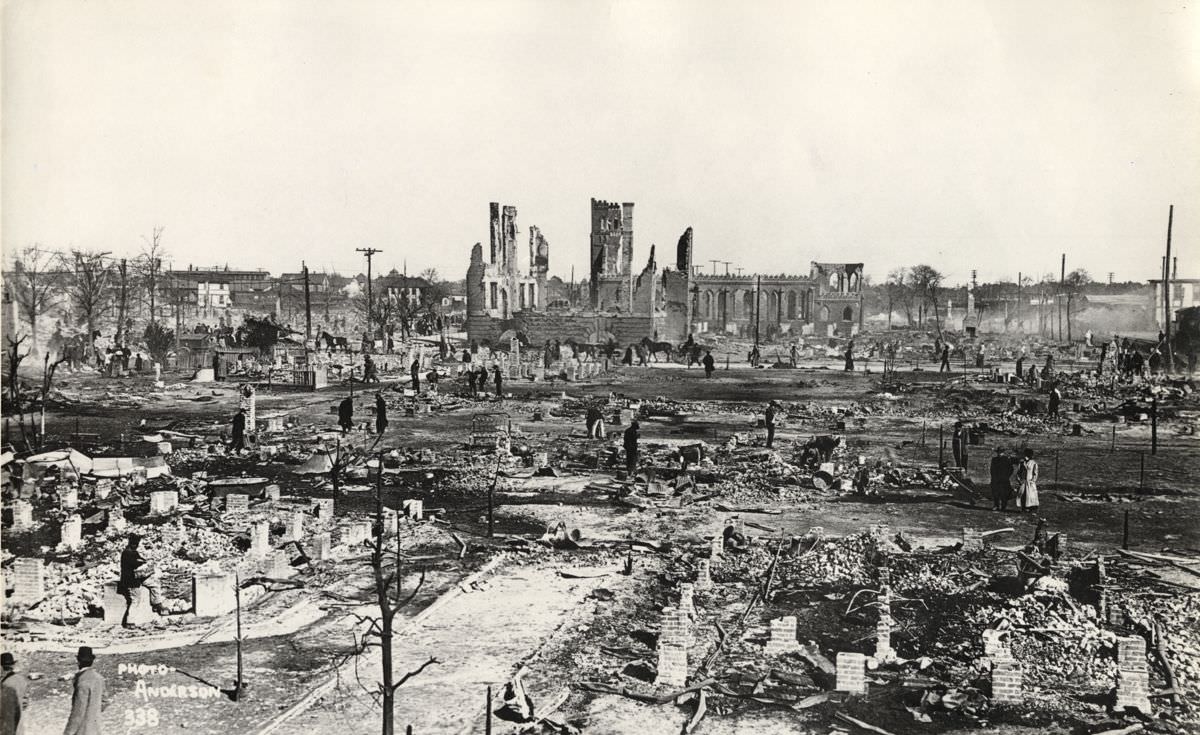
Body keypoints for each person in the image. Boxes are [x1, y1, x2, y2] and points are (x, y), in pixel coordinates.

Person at [119, 534, 164, 622]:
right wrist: (141, 562)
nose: (136, 546)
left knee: (155, 585)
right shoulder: (127, 553)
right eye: (135, 544)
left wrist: (144, 561)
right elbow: (134, 563)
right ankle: (130, 622)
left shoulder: (133, 552)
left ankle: (156, 603)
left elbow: (140, 559)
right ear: (131, 543)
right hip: (131, 580)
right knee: (136, 600)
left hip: (139, 577)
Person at [64, 646, 104, 735]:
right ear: (92, 661)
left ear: (78, 660)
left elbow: (78, 712)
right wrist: (93, 711)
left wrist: (68, 732)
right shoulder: (99, 678)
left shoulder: (82, 681)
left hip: (82, 731)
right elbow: (105, 700)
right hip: (95, 729)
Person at [1, 651, 29, 735]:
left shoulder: (5, 684)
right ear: (13, 665)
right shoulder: (22, 680)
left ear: (1, 667)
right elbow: (25, 703)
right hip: (19, 727)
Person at [1011, 448, 1039, 513]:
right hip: (1023, 482)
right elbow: (1018, 472)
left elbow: (1035, 473)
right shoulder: (1022, 462)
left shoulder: (1033, 463)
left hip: (1030, 482)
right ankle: (1024, 508)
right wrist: (1019, 480)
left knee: (1031, 496)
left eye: (1027, 454)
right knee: (1022, 495)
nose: (1025, 456)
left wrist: (1032, 481)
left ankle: (1032, 509)